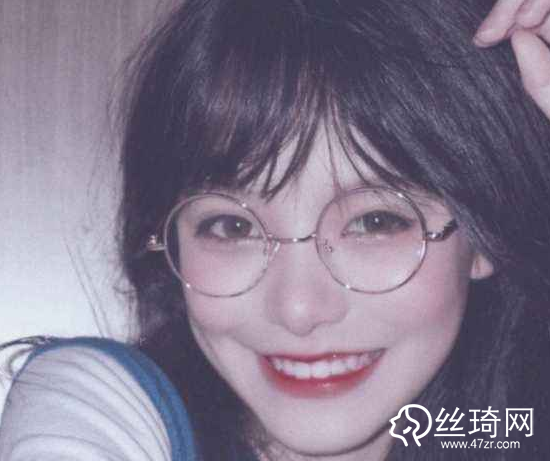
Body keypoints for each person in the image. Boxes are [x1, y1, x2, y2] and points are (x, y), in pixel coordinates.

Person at [1, 0, 550, 460]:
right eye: (232, 226)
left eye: (374, 221)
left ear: (484, 230)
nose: (299, 309)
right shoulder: (98, 406)